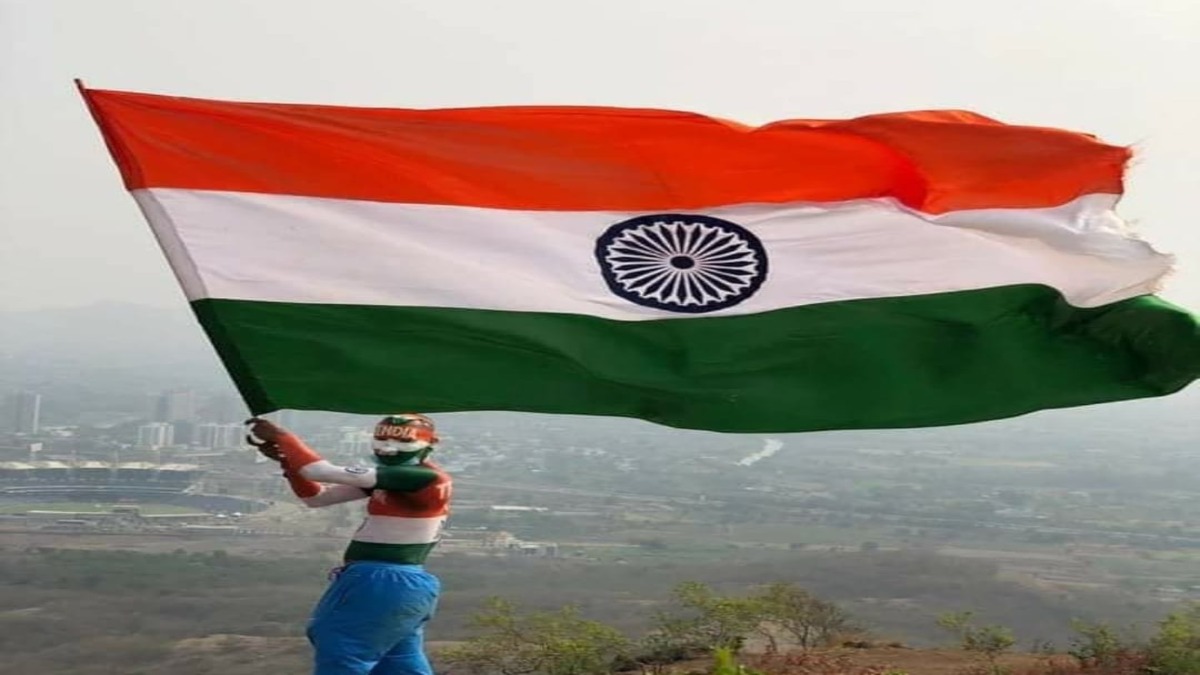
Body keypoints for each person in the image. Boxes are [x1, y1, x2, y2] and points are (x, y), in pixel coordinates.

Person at [247, 413, 452, 675]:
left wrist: (283, 438)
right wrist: (289, 463)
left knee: (340, 645)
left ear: (429, 443)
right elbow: (317, 498)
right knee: (397, 661)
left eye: (402, 441)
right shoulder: (399, 479)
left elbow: (320, 472)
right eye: (382, 438)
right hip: (400, 585)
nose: (388, 447)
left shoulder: (421, 478)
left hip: (383, 580)